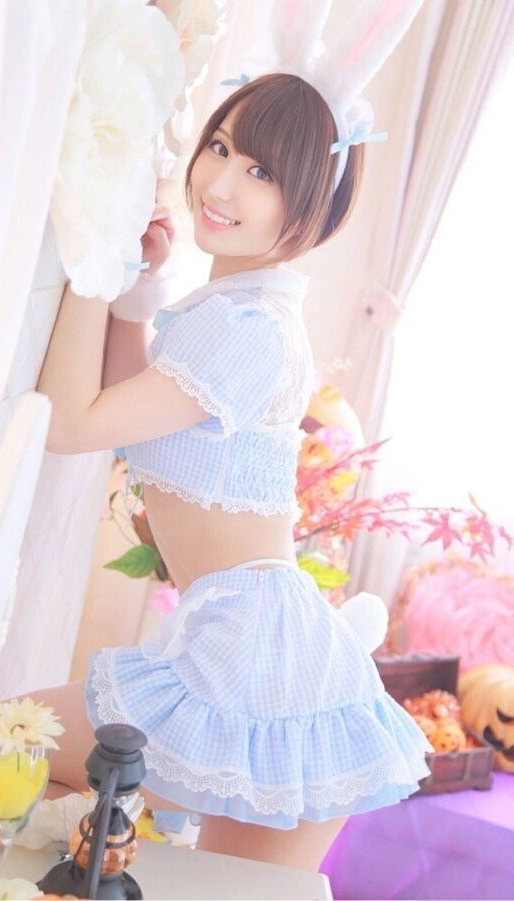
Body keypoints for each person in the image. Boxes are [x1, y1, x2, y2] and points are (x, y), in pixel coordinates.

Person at [34, 73, 430, 871]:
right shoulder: (231, 314)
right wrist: (131, 294)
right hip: (255, 647)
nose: (219, 184)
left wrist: (93, 250)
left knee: (15, 740)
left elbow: (70, 421)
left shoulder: (248, 328)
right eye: (219, 146)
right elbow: (123, 416)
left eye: (261, 172)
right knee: (31, 759)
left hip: (261, 659)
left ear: (311, 208)